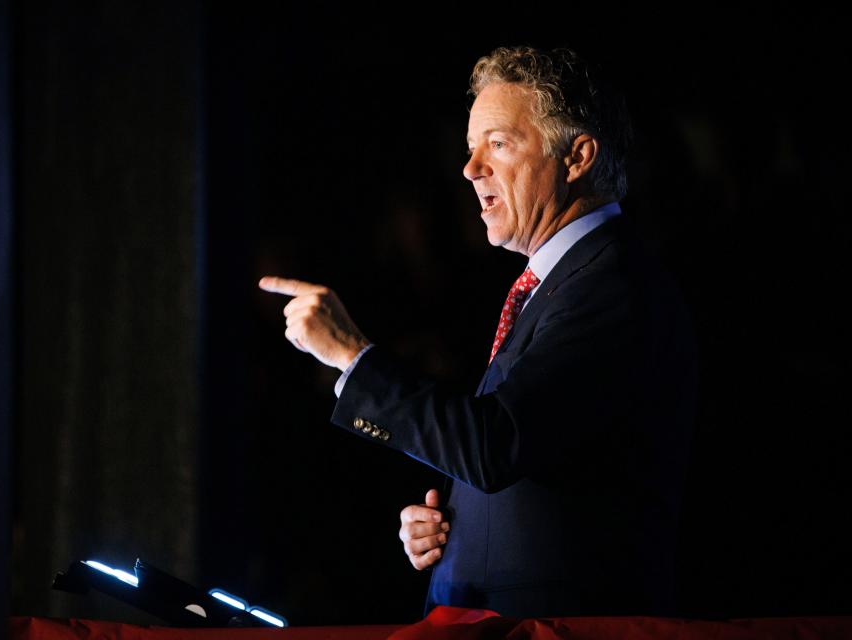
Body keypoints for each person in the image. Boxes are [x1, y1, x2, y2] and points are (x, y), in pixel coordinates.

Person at [259, 45, 696, 618]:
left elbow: (497, 443)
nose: (470, 170)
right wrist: (452, 529)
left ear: (577, 156)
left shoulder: (611, 284)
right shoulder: (558, 280)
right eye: (469, 150)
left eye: (498, 144)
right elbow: (528, 455)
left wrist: (350, 354)